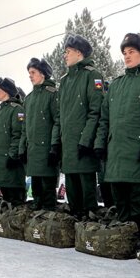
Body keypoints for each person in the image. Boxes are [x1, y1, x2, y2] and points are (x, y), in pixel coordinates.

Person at [96, 33, 140, 234]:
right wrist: (100, 144)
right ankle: (123, 242)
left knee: (139, 207)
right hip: (116, 156)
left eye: (131, 51)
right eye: (124, 52)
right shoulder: (116, 84)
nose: (126, 56)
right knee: (121, 207)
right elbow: (104, 119)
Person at [57, 34, 104, 219]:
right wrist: (57, 142)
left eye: (68, 51)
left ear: (79, 53)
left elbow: (96, 112)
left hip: (84, 147)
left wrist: (86, 140)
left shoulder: (92, 76)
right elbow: (60, 116)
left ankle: (89, 227)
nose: (64, 55)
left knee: (87, 200)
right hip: (68, 147)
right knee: (73, 198)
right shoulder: (65, 81)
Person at [22, 57, 61, 211]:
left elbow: (58, 121)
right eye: (29, 73)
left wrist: (55, 146)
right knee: (36, 188)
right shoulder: (29, 99)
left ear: (42, 73)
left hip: (47, 150)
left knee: (47, 189)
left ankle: (48, 215)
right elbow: (25, 126)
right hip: (33, 150)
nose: (30, 76)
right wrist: (22, 148)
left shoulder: (52, 94)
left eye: (33, 72)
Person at [0, 77, 27, 205]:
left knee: (15, 198)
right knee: (6, 198)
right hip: (0, 161)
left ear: (6, 91)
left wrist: (13, 155)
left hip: (11, 162)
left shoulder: (17, 109)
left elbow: (18, 134)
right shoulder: (0, 112)